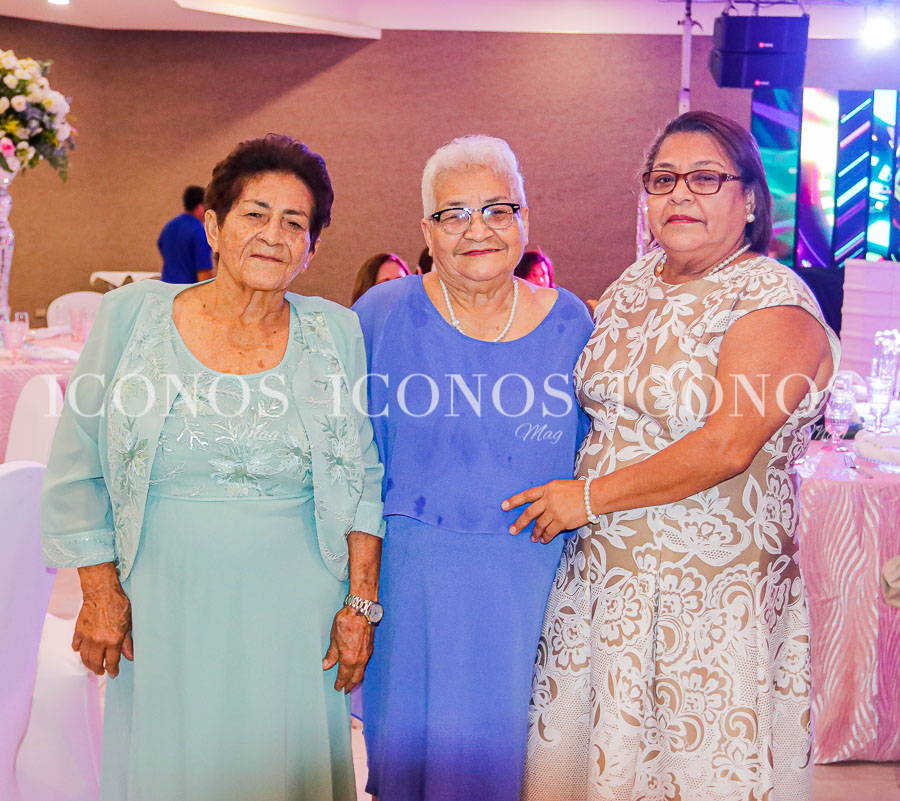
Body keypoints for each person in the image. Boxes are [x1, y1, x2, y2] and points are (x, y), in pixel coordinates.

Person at [505, 111, 840, 801]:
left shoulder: (773, 299)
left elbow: (727, 444)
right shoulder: (634, 284)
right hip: (602, 589)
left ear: (751, 199)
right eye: (664, 179)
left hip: (709, 603)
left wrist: (586, 498)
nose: (680, 193)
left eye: (705, 178)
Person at [41, 134, 385, 801]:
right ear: (214, 226)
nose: (273, 235)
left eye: (295, 222)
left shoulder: (335, 331)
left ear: (312, 248)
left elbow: (364, 473)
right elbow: (78, 458)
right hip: (164, 602)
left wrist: (359, 606)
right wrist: (99, 589)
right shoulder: (132, 317)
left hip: (298, 611)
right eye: (255, 213)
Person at [353, 134, 594, 801]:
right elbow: (343, 458)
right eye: (453, 213)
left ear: (524, 219)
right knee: (412, 768)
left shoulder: (573, 322)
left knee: (517, 767)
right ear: (426, 230)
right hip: (411, 585)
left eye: (496, 209)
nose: (477, 229)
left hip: (532, 583)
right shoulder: (380, 316)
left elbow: (603, 448)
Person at [157, 185, 214, 283]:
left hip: (166, 287)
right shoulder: (199, 232)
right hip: (188, 289)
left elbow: (161, 246)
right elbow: (203, 273)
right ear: (200, 207)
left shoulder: (169, 227)